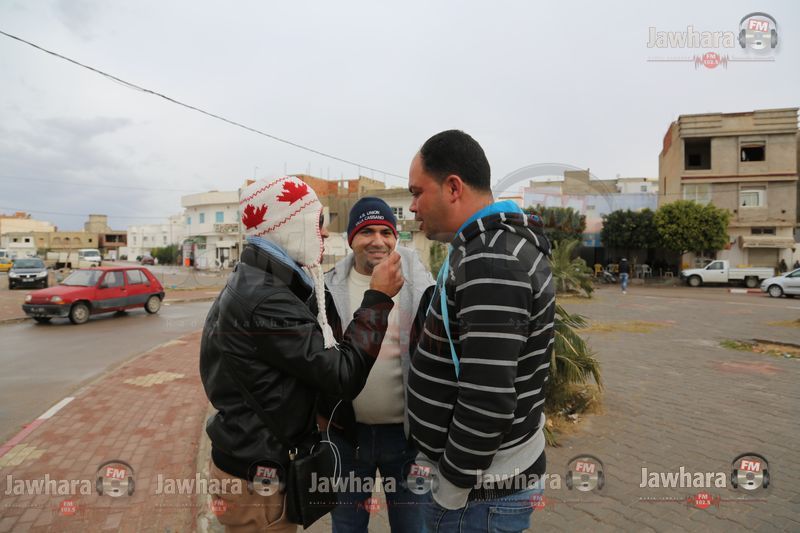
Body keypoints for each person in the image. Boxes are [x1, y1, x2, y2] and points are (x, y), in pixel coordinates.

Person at [200, 176, 403, 532]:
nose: (323, 233)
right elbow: (342, 374)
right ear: (289, 226)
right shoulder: (266, 298)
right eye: (317, 222)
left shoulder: (263, 280)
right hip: (257, 482)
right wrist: (378, 299)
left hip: (251, 462)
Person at [406, 130, 555, 532]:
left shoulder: (490, 258)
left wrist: (452, 485)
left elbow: (488, 397)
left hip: (478, 499)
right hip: (483, 489)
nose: (413, 206)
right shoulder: (487, 247)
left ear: (453, 187)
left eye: (417, 192)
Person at [318, 197, 434, 532]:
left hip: (408, 441)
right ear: (350, 239)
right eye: (367, 231)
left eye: (386, 232)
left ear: (396, 237)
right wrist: (322, 413)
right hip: (347, 438)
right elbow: (317, 360)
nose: (378, 241)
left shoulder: (421, 287)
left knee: (413, 527)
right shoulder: (326, 291)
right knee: (347, 527)